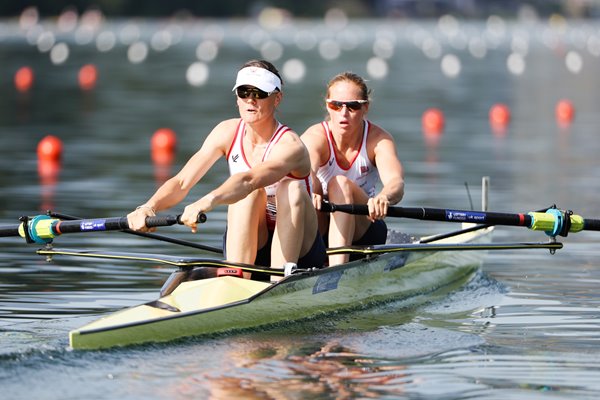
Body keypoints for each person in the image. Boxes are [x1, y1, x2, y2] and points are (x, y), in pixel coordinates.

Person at [127, 60, 326, 277]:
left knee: (290, 188)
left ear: (277, 98)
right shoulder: (226, 132)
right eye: (243, 92)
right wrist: (148, 207)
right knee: (246, 196)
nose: (250, 99)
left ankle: (279, 281)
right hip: (253, 240)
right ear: (237, 98)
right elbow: (182, 182)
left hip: (302, 249)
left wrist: (206, 202)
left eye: (259, 93)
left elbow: (249, 180)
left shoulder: (291, 145)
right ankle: (237, 278)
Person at [301, 72, 405, 266]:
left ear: (365, 107)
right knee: (309, 185)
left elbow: (396, 182)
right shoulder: (315, 137)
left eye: (353, 106)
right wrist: (307, 188)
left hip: (365, 230)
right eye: (336, 105)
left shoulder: (379, 140)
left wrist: (384, 197)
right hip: (321, 228)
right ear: (327, 105)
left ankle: (336, 269)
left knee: (339, 184)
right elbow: (304, 172)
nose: (343, 113)